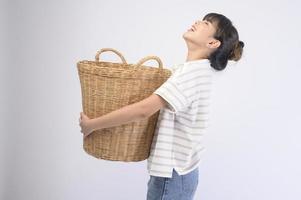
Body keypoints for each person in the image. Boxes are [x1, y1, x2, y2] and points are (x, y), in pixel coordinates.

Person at [79, 12, 244, 200]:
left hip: (172, 175)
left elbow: (143, 110)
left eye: (206, 23)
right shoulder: (193, 71)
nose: (197, 22)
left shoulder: (191, 74)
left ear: (213, 43)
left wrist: (91, 125)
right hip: (179, 173)